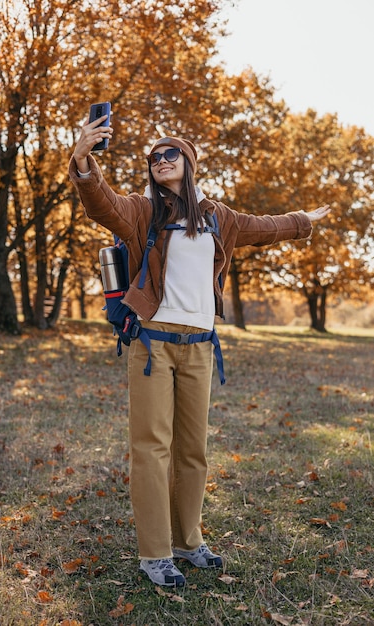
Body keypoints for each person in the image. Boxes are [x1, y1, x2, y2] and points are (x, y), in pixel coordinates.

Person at [69, 112, 330, 588]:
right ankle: (155, 554)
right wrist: (84, 162)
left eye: (169, 154)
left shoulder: (216, 217)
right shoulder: (143, 212)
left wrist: (302, 221)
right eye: (153, 158)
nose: (160, 161)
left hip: (200, 346)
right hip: (152, 343)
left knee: (193, 451)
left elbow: (261, 227)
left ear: (188, 162)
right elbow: (102, 205)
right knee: (151, 449)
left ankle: (188, 541)